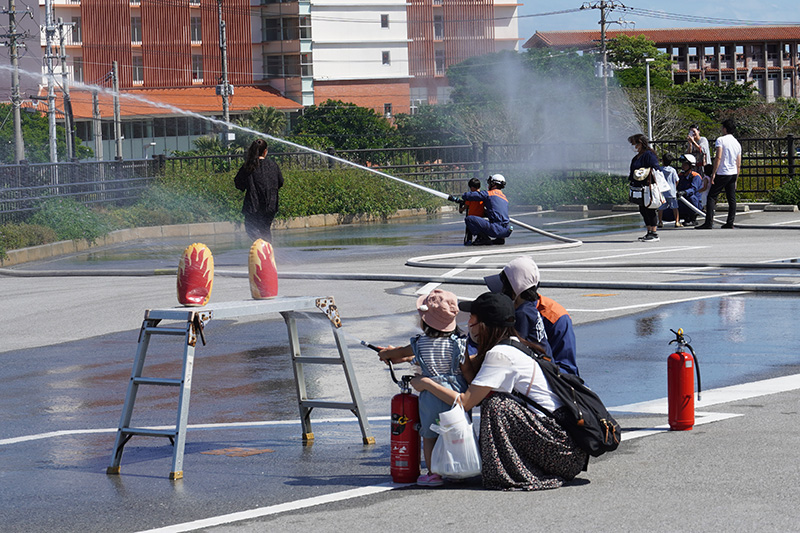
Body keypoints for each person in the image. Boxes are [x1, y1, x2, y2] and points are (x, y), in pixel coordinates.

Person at [410, 292, 588, 491]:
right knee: (495, 401)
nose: (468, 322)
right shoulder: (513, 344)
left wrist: (426, 383)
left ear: (484, 324)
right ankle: (514, 466)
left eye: (472, 318)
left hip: (559, 449)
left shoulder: (499, 355)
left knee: (496, 405)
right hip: (563, 444)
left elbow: (466, 402)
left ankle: (512, 471)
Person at [378, 289, 468, 487]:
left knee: (429, 435)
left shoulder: (419, 343)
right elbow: (465, 367)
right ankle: (459, 468)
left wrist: (386, 354)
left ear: (425, 321)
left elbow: (399, 354)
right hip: (453, 393)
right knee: (456, 432)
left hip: (430, 396)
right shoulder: (459, 343)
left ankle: (433, 473)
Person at [484, 256, 579, 376]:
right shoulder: (524, 309)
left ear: (514, 291)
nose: (499, 296)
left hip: (547, 382)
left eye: (502, 291)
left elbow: (569, 370)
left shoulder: (554, 317)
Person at [234, 138, 284, 242]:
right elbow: (280, 182)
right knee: (265, 229)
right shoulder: (273, 165)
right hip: (270, 204)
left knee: (251, 228)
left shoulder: (248, 166)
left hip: (253, 205)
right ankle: (267, 251)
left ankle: (261, 248)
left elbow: (238, 184)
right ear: (265, 151)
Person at [696, 119, 742, 230]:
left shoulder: (721, 140)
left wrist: (713, 173)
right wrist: (736, 178)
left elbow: (718, 157)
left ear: (725, 128)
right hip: (733, 173)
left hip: (723, 172)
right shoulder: (737, 143)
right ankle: (730, 222)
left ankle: (709, 222)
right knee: (732, 198)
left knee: (711, 196)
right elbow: (738, 162)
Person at [449, 174, 512, 246]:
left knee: (469, 219)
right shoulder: (504, 197)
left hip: (496, 229)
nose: (488, 185)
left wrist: (464, 197)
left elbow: (469, 196)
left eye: (490, 183)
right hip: (506, 230)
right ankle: (500, 239)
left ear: (493, 184)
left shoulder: (489, 194)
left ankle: (483, 238)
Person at [628, 134, 661, 242]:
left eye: (635, 144)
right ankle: (648, 231)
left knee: (650, 208)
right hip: (638, 187)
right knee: (642, 209)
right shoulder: (636, 157)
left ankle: (654, 232)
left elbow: (655, 168)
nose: (634, 146)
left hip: (647, 186)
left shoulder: (649, 155)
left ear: (641, 143)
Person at [675, 154, 705, 226]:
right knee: (666, 214)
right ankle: (683, 217)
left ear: (691, 166)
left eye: (685, 164)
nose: (683, 166)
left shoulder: (695, 176)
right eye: (682, 164)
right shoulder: (681, 176)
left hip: (694, 202)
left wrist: (684, 192)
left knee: (690, 197)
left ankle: (692, 218)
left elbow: (693, 189)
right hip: (682, 201)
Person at [658, 154, 681, 228]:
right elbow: (677, 180)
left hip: (663, 191)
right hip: (671, 192)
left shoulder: (660, 169)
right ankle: (677, 221)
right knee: (674, 207)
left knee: (660, 208)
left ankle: (660, 222)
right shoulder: (673, 170)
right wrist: (674, 187)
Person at [459, 177, 485, 245]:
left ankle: (468, 240)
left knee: (469, 230)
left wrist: (461, 209)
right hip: (480, 217)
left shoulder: (471, 196)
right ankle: (480, 238)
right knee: (480, 229)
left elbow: (466, 206)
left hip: (471, 217)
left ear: (472, 187)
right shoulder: (483, 196)